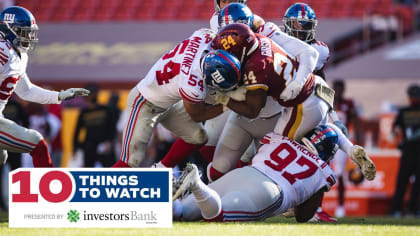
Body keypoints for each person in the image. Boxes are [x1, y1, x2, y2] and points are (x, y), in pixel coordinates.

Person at [172, 124, 367, 222]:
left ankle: (184, 189)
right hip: (269, 190)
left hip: (245, 173)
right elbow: (303, 216)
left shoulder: (279, 139)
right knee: (218, 217)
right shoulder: (322, 170)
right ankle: (196, 184)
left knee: (181, 214)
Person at [112, 29, 240, 168]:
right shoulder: (192, 84)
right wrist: (227, 103)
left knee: (197, 137)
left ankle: (160, 169)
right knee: (130, 162)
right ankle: (93, 189)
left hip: (170, 101)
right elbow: (198, 115)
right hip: (145, 102)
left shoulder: (205, 35)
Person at [0, 6, 89, 168]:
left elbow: (26, 91)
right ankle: (49, 190)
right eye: (24, 32)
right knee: (36, 143)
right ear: (9, 30)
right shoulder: (3, 50)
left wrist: (59, 96)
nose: (29, 37)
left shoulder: (18, 55)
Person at [389, 84, 420, 217]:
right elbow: (396, 127)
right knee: (402, 182)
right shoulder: (404, 111)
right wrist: (396, 132)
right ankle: (396, 210)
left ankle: (412, 210)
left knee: (417, 184)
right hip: (407, 151)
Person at [73, 84, 119, 167]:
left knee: (110, 170)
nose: (93, 96)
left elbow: (112, 127)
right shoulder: (84, 112)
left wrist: (109, 141)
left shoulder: (106, 110)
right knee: (89, 171)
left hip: (104, 145)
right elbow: (77, 131)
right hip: (90, 147)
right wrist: (75, 149)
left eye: (94, 93)